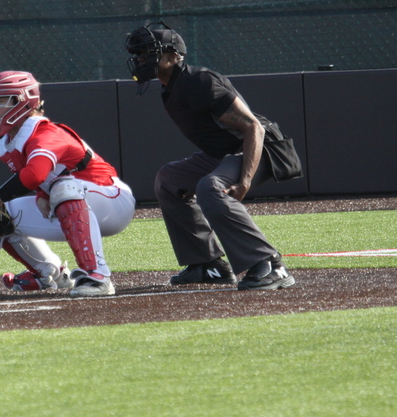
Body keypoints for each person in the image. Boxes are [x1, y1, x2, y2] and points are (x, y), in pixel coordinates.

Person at [124, 21, 298, 290]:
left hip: (264, 149)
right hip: (226, 153)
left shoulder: (198, 81)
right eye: (138, 55)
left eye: (147, 53)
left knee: (210, 187)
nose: (140, 60)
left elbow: (253, 127)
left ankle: (270, 264)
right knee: (169, 179)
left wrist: (245, 180)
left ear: (173, 56)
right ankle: (207, 264)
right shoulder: (171, 86)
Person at [0, 71, 135, 297]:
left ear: (22, 101)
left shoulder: (46, 134)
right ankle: (49, 274)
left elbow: (34, 175)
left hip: (111, 200)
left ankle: (97, 275)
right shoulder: (10, 142)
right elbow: (44, 178)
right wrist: (41, 195)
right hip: (73, 200)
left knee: (62, 189)